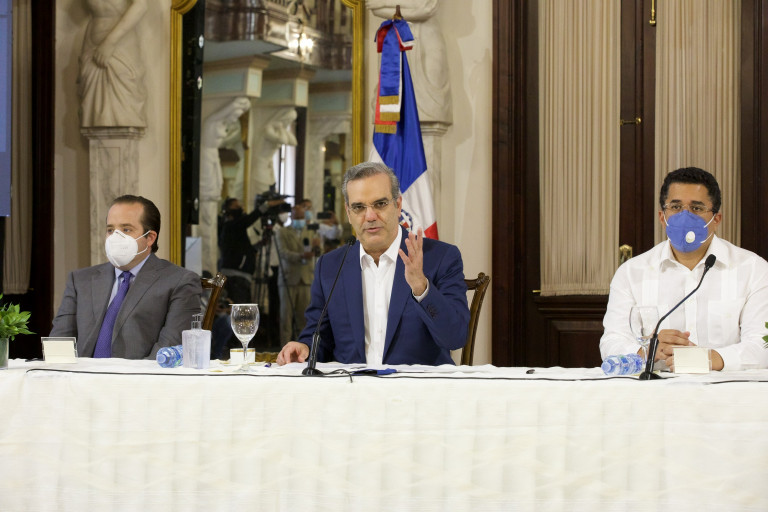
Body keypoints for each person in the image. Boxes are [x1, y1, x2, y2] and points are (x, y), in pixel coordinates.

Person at [277, 162, 469, 366]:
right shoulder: (331, 266)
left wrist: (422, 288)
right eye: (359, 207)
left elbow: (455, 337)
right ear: (348, 213)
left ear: (398, 205)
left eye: (380, 204)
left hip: (415, 384)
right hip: (352, 384)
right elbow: (318, 336)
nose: (370, 216)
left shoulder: (440, 258)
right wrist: (305, 347)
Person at [600, 167, 768, 371]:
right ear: (662, 217)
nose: (685, 216)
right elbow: (611, 342)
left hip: (723, 387)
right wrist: (646, 351)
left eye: (696, 208)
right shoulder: (631, 273)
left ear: (716, 219)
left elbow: (762, 344)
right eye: (676, 207)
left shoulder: (753, 270)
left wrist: (711, 359)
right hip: (655, 388)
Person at [50, 195, 202, 359]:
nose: (115, 237)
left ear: (150, 238)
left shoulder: (180, 282)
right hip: (80, 374)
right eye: (110, 230)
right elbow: (59, 345)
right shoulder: (81, 280)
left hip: (140, 375)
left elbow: (168, 351)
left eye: (126, 230)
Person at [78, 0, 148, 128]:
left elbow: (141, 5)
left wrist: (110, 42)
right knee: (93, 115)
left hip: (120, 45)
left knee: (122, 112)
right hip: (92, 47)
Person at [218, 196, 284, 303]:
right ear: (228, 210)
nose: (240, 208)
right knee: (240, 309)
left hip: (240, 275)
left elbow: (243, 248)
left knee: (243, 308)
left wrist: (260, 245)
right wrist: (267, 205)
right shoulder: (231, 225)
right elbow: (250, 218)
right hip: (235, 276)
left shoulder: (235, 228)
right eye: (236, 206)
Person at [274, 202, 319, 342]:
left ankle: (303, 347)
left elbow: (319, 252)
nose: (299, 220)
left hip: (306, 279)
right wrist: (301, 256)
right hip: (288, 279)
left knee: (304, 317)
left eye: (301, 217)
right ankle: (284, 347)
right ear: (291, 217)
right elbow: (283, 252)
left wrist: (317, 248)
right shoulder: (282, 232)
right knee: (286, 317)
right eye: (297, 217)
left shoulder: (311, 231)